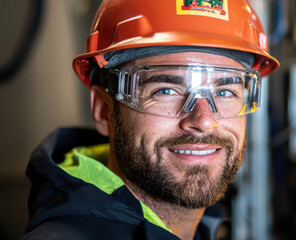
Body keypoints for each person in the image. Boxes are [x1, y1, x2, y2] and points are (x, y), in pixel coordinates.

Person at [23, 0, 279, 239]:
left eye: (224, 92)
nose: (204, 120)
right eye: (166, 91)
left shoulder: (202, 223)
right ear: (103, 111)